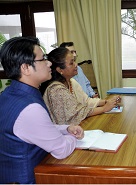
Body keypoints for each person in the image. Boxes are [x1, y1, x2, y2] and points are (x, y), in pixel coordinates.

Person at [0, 37, 84, 184]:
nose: (49, 62)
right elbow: (62, 149)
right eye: (43, 59)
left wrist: (66, 129)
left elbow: (34, 129)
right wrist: (73, 138)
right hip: (31, 179)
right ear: (25, 68)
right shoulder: (29, 108)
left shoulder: (8, 94)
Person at [40, 47, 121, 125]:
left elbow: (86, 101)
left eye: (74, 61)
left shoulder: (72, 82)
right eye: (71, 63)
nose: (76, 65)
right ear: (60, 70)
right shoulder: (56, 90)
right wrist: (104, 108)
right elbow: (77, 113)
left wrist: (107, 102)